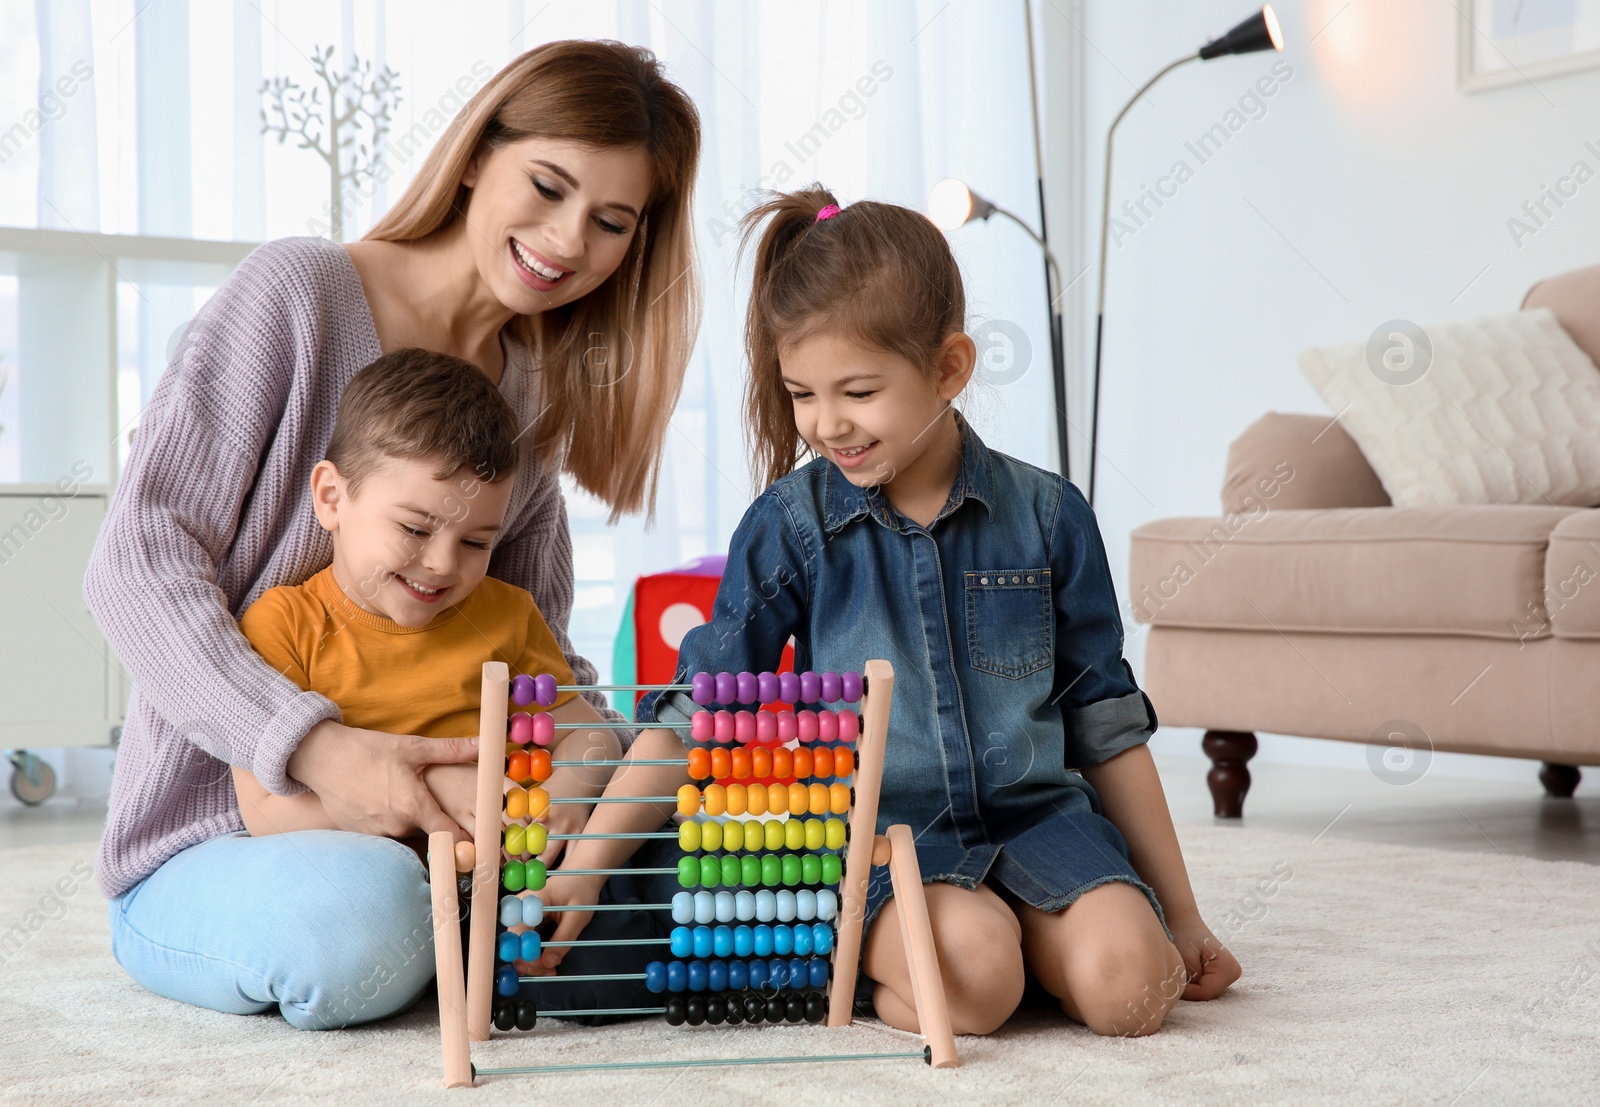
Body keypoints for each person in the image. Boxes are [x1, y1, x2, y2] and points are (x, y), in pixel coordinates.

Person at [85, 40, 701, 1029]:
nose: (567, 238)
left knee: (692, 873)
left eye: (610, 222)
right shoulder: (298, 296)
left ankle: (482, 936)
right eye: (546, 185)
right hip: (222, 837)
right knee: (368, 922)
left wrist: (592, 791)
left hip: (451, 840)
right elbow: (136, 558)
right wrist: (320, 750)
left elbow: (529, 649)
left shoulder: (528, 398)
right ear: (472, 156)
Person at [555, 188, 1242, 1038]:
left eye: (859, 391)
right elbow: (692, 715)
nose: (826, 424)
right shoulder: (793, 525)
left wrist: (1182, 915)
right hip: (884, 835)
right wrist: (586, 867)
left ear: (950, 367)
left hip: (1039, 820)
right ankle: (964, 954)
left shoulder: (1051, 515)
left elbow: (1106, 727)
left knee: (1138, 992)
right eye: (802, 393)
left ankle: (1032, 936)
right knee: (976, 988)